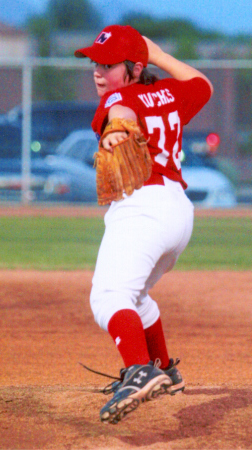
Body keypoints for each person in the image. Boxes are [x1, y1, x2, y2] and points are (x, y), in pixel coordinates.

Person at [74, 24, 213, 424]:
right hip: (178, 213)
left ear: (134, 68)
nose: (98, 72)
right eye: (94, 64)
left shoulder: (119, 96)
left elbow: (121, 110)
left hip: (143, 209)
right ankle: (164, 368)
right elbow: (202, 84)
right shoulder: (171, 93)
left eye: (108, 64)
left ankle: (139, 370)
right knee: (138, 297)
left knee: (108, 296)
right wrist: (161, 56)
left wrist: (116, 130)